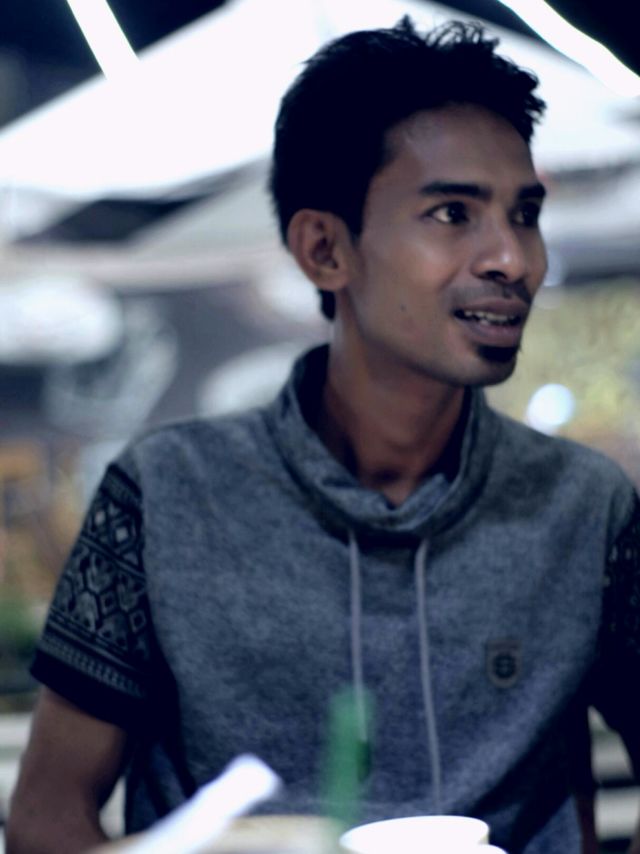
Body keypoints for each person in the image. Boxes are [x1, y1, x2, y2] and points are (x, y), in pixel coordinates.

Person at [7, 17, 640, 854]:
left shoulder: (585, 508)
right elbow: (46, 816)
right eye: (453, 212)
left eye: (524, 214)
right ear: (324, 249)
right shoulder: (164, 496)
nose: (513, 260)